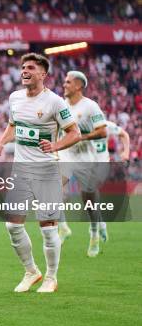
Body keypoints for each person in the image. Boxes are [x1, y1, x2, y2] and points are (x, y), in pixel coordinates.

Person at [0, 53, 80, 293]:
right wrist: (1, 142)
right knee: (12, 226)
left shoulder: (55, 102)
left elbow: (74, 133)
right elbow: (13, 125)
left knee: (48, 227)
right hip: (20, 171)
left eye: (30, 67)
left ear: (43, 74)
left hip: (46, 171)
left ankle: (51, 277)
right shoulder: (15, 98)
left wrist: (55, 146)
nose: (24, 71)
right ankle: (31, 271)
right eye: (22, 67)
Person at [58, 71, 107, 257]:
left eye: (68, 82)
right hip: (65, 155)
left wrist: (81, 136)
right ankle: (63, 228)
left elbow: (102, 131)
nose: (64, 85)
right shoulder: (61, 105)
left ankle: (94, 233)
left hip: (86, 158)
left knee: (89, 201)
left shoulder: (90, 106)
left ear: (78, 86)